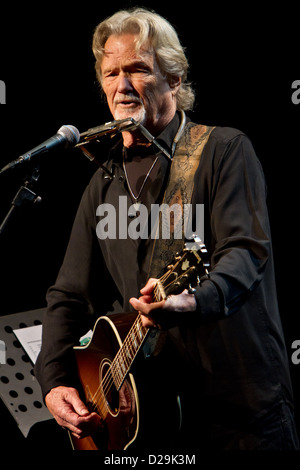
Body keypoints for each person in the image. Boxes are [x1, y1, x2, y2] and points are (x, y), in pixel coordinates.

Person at [35, 8, 299, 450]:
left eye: (138, 69)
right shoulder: (104, 180)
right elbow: (68, 295)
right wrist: (56, 380)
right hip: (146, 417)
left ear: (174, 79)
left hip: (234, 412)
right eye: (111, 72)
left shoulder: (223, 151)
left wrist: (192, 300)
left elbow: (246, 251)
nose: (121, 87)